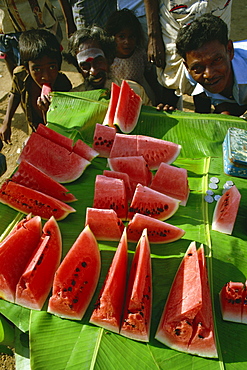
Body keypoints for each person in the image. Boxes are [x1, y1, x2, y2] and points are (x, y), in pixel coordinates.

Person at [143, 0, 233, 111]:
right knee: (170, 74)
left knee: (212, 64)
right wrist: (153, 35)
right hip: (175, 15)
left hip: (217, 7)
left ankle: (202, 116)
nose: (208, 74)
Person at [0, 29, 72, 144]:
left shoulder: (63, 85)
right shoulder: (20, 75)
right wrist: (6, 122)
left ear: (59, 65)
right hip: (33, 130)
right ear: (27, 69)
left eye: (52, 67)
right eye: (37, 69)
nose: (46, 76)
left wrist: (46, 111)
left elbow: (57, 128)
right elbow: (15, 93)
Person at [176, 13, 247, 116]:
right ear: (187, 67)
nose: (209, 74)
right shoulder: (191, 74)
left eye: (216, 60)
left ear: (230, 51)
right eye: (198, 67)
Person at [65, 25, 151, 104]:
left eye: (99, 62)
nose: (93, 72)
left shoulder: (135, 92)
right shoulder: (72, 101)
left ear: (109, 59)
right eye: (85, 66)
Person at [105, 8, 161, 104]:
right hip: (117, 97)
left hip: (141, 96)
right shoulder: (109, 58)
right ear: (112, 37)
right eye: (122, 37)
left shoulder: (139, 53)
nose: (127, 42)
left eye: (131, 37)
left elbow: (149, 75)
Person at [0, 0, 63, 76]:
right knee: (16, 65)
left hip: (37, 20)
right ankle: (19, 85)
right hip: (6, 23)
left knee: (46, 60)